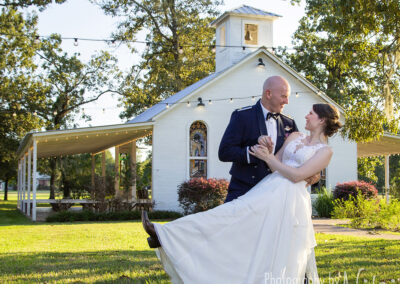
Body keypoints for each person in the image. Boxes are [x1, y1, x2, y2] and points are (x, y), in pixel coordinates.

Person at [142, 103, 342, 284]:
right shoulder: (295, 136)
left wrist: (269, 158)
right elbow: (276, 166)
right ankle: (167, 234)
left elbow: (297, 176)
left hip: (291, 200)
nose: (306, 115)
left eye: (311, 113)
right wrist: (269, 153)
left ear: (322, 120)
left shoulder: (326, 152)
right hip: (270, 188)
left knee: (279, 245)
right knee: (232, 215)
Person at [219, 76, 319, 202]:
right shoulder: (242, 116)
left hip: (276, 194)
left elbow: (295, 156)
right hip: (243, 190)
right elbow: (224, 152)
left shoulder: (289, 123)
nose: (287, 101)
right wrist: (255, 152)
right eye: (283, 96)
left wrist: (310, 171)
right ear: (268, 94)